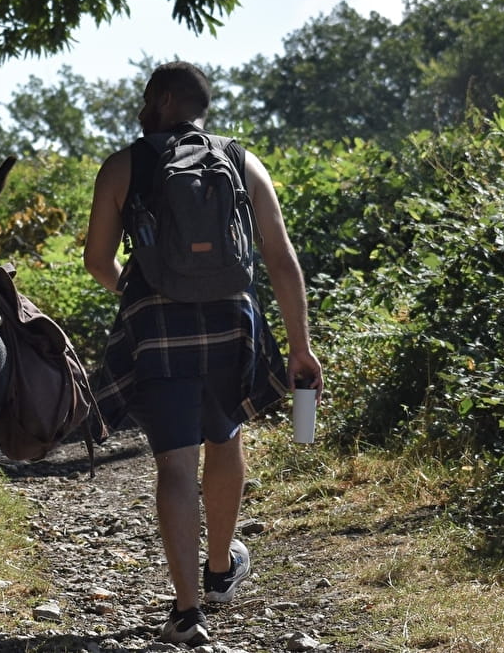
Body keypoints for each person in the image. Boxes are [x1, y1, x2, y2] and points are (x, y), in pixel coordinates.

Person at [83, 61, 323, 647]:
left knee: (172, 463)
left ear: (163, 99)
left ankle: (187, 612)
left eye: (147, 97)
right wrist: (300, 346)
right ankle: (220, 572)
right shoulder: (240, 160)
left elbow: (96, 259)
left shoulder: (124, 166)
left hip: (157, 326)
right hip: (230, 321)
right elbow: (281, 259)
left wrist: (142, 295)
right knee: (226, 438)